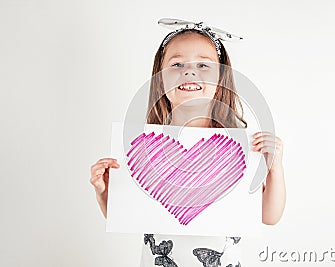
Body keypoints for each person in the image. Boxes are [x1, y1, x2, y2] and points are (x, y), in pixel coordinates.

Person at [90, 19, 286, 266]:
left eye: (203, 64)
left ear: (222, 78)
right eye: (177, 64)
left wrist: (275, 169)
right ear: (160, 79)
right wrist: (105, 193)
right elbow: (128, 215)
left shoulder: (239, 150)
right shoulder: (143, 150)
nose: (189, 71)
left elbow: (269, 216)